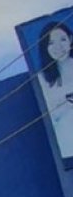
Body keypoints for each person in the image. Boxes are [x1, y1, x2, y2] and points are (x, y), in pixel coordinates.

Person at [37, 21, 73, 157]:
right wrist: (66, 104)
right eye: (51, 43)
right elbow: (49, 118)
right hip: (67, 143)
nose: (58, 47)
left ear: (70, 39)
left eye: (62, 40)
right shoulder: (42, 79)